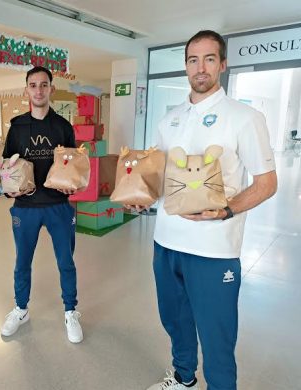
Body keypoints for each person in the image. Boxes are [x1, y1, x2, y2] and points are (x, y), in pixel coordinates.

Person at [134, 31, 277, 390]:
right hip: (166, 242)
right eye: (193, 60)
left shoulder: (245, 117)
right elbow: (162, 175)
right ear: (185, 66)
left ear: (223, 64)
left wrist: (226, 211)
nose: (201, 68)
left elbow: (266, 183)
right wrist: (142, 195)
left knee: (216, 334)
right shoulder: (170, 119)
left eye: (209, 59)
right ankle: (183, 377)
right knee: (175, 320)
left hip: (214, 249)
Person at [0, 66, 83, 343]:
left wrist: (73, 183)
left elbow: (72, 165)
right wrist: (5, 177)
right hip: (25, 207)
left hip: (59, 206)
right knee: (22, 262)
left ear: (51, 89)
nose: (38, 90)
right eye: (33, 85)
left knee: (65, 262)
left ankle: (71, 311)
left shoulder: (63, 126)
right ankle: (21, 309)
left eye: (43, 85)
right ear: (26, 90)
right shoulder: (17, 127)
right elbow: (6, 165)